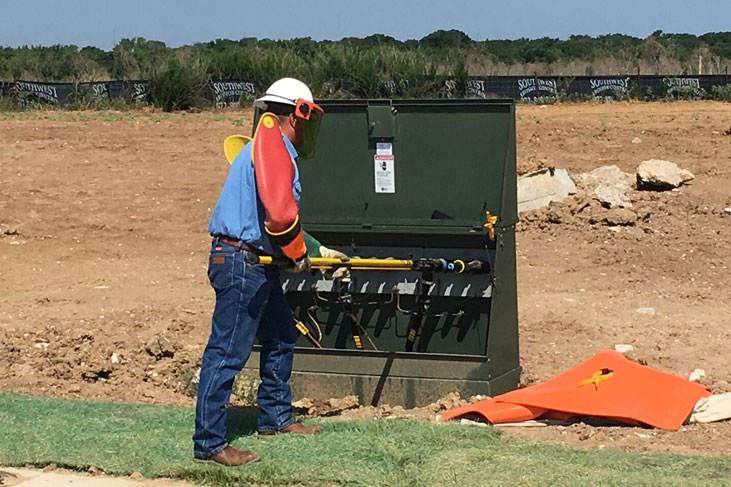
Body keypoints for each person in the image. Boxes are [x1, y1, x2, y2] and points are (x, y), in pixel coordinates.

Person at [193, 78, 346, 467]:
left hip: (252, 261)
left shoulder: (264, 147)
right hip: (243, 263)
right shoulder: (273, 147)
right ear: (299, 113)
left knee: (280, 336)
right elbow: (279, 217)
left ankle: (275, 418)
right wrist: (298, 255)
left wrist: (317, 250)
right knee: (227, 352)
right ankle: (209, 443)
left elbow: (276, 218)